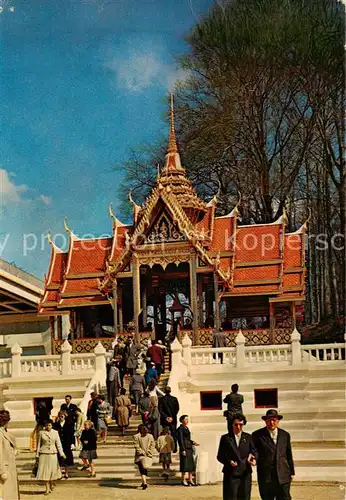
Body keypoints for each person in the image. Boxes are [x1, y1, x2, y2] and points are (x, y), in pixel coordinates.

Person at [252, 409, 295, 500]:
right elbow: (254, 451)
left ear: (278, 421)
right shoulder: (257, 435)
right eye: (269, 420)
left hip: (283, 475)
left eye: (274, 420)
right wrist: (255, 458)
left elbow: (288, 454)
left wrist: (291, 472)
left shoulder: (285, 435)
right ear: (265, 421)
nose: (271, 422)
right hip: (266, 476)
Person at [217, 413, 257, 500]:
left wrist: (253, 458)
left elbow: (254, 452)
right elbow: (220, 456)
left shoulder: (248, 437)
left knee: (245, 497)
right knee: (231, 497)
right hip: (231, 473)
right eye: (236, 424)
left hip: (245, 473)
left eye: (241, 425)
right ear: (232, 424)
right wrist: (228, 461)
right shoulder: (225, 438)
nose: (238, 427)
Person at [36, 419, 66, 495]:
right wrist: (37, 455)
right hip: (44, 453)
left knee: (53, 471)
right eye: (46, 425)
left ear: (52, 425)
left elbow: (58, 444)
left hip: (53, 453)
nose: (48, 427)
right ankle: (47, 489)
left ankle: (52, 483)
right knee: (45, 472)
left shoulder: (55, 433)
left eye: (49, 425)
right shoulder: (41, 433)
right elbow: (38, 444)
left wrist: (61, 453)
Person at [0, 410, 19, 500]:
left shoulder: (5, 432)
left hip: (10, 468)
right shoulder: (0, 434)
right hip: (5, 469)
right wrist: (2, 472)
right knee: (5, 495)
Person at [177, 415, 199, 486]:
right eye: (186, 419)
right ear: (182, 420)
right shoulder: (180, 428)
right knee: (184, 465)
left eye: (187, 419)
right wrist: (183, 449)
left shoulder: (186, 428)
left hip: (189, 448)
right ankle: (183, 480)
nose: (187, 420)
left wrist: (193, 442)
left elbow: (187, 439)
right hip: (184, 448)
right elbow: (181, 439)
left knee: (190, 465)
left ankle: (190, 479)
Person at [53, 410, 74, 479]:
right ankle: (59, 473)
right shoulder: (55, 424)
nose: (61, 417)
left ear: (65, 416)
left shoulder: (69, 424)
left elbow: (71, 434)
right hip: (58, 444)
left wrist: (72, 443)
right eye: (60, 416)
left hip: (66, 444)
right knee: (59, 459)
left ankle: (66, 473)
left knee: (66, 459)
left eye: (62, 416)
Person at [133, 424, 156, 490]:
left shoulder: (136, 436)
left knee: (141, 469)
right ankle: (144, 482)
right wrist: (149, 452)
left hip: (140, 455)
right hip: (148, 455)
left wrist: (142, 452)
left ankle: (144, 482)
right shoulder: (150, 436)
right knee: (145, 468)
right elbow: (153, 444)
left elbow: (136, 446)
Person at [158, 386, 179, 452]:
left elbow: (160, 410)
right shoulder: (174, 399)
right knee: (173, 433)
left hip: (165, 419)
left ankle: (166, 447)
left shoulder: (161, 399)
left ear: (164, 391)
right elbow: (177, 409)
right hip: (173, 419)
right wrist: (171, 417)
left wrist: (166, 417)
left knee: (165, 433)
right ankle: (175, 448)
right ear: (170, 391)